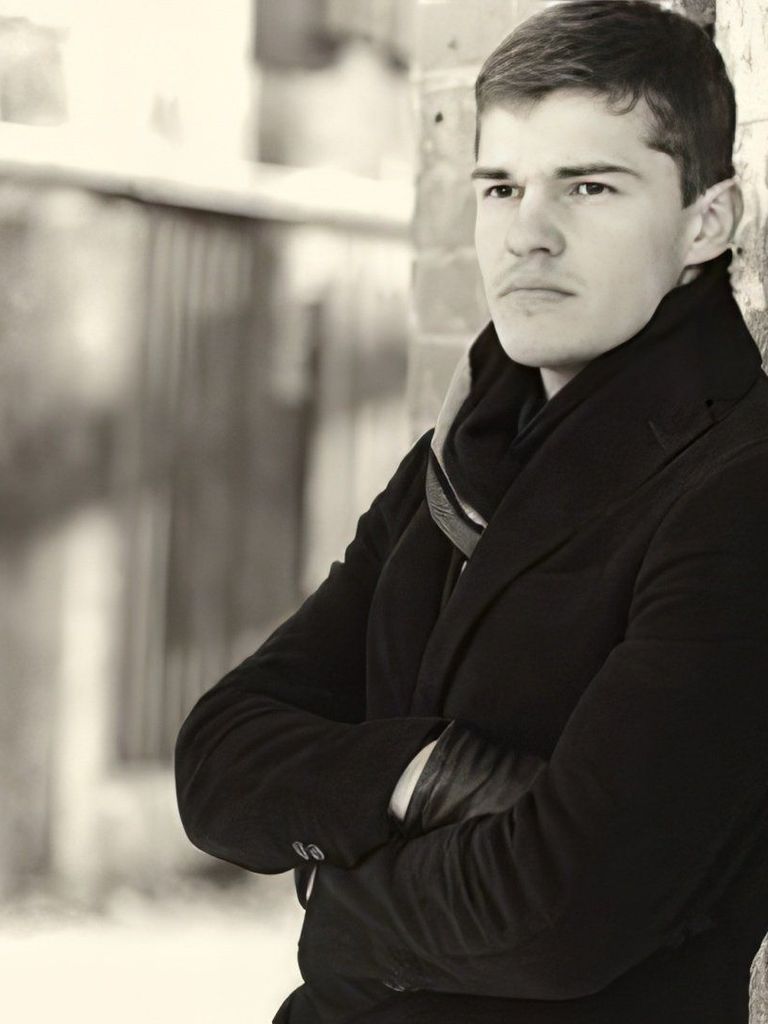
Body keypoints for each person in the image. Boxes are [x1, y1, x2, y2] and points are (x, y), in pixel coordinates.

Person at [174, 2, 768, 1021]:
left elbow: (560, 912)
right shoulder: (459, 454)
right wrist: (427, 774)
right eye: (501, 187)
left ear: (706, 223)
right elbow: (217, 761)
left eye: (589, 186)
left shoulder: (738, 487)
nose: (529, 233)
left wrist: (340, 911)